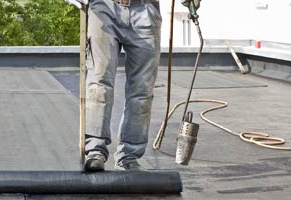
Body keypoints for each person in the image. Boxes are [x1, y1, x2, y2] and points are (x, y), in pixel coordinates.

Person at [65, 0, 200, 171]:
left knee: (142, 91)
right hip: (104, 8)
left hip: (146, 11)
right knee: (99, 83)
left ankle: (128, 156)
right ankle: (94, 151)